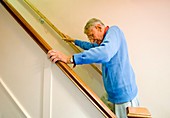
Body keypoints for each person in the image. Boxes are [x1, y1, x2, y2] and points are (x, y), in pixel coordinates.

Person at [47, 18, 139, 118]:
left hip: (124, 97)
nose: (91, 39)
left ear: (99, 27)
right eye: (89, 37)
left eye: (91, 35)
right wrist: (74, 41)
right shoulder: (104, 41)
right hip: (113, 95)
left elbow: (105, 52)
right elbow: (91, 46)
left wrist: (70, 59)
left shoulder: (114, 31)